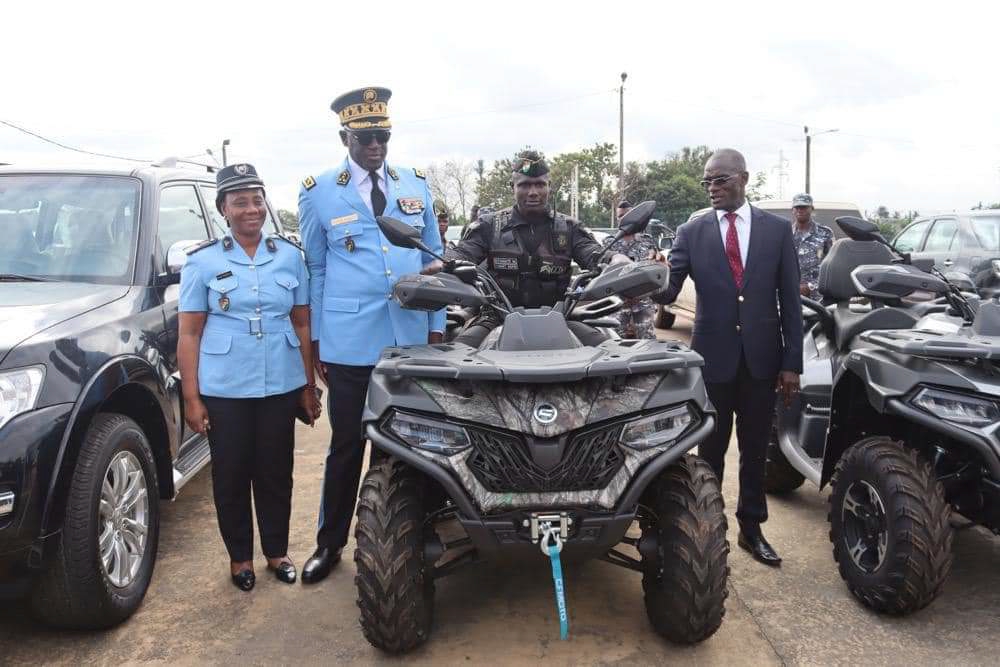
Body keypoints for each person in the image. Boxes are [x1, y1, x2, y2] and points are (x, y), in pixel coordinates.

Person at [298, 86, 445, 584]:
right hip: (349, 341)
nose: (375, 146)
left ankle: (410, 536)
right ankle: (329, 543)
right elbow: (316, 269)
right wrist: (317, 342)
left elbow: (433, 262)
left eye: (382, 135)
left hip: (409, 339)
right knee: (346, 445)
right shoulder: (319, 190)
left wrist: (438, 326)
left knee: (412, 442)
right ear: (345, 137)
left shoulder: (415, 184)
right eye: (365, 138)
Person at [178, 163, 322, 591]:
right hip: (225, 387)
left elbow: (301, 324)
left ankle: (276, 552)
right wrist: (191, 398)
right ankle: (239, 558)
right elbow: (189, 333)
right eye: (240, 201)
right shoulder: (203, 262)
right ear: (223, 208)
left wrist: (309, 385)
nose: (251, 209)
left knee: (277, 471)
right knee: (232, 473)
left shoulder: (289, 257)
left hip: (280, 382)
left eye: (257, 199)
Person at [658, 148, 803, 567]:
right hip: (713, 359)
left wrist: (791, 363)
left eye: (720, 180)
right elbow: (669, 291)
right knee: (712, 451)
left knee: (756, 450)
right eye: (707, 182)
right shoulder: (693, 231)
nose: (712, 189)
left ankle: (751, 530)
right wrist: (647, 277)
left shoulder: (777, 231)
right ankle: (709, 530)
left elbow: (789, 301)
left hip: (762, 361)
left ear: (743, 178)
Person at [445, 150, 607, 347]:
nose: (533, 192)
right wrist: (443, 262)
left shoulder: (569, 227)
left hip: (561, 318)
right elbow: (462, 253)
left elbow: (594, 254)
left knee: (611, 359)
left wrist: (615, 260)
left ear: (549, 187)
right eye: (524, 185)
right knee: (458, 357)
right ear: (512, 187)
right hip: (497, 318)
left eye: (539, 184)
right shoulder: (488, 226)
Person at [603, 199, 660, 339]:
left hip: (643, 301)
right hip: (618, 302)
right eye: (620, 216)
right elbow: (604, 273)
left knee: (647, 341)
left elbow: (655, 266)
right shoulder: (609, 243)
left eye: (627, 216)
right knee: (614, 341)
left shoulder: (647, 241)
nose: (623, 219)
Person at [789, 192, 834, 301]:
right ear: (793, 210)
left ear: (811, 209)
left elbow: (832, 266)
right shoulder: (785, 234)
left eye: (804, 207)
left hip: (819, 297)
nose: (800, 210)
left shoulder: (825, 233)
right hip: (791, 295)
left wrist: (811, 287)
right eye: (797, 207)